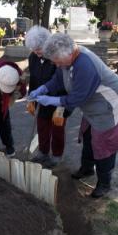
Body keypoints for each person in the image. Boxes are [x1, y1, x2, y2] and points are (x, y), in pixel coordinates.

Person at [29, 33, 118, 198]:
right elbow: (58, 80)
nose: (55, 64)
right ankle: (87, 168)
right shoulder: (66, 60)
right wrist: (44, 88)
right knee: (88, 136)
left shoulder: (85, 65)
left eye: (57, 61)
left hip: (108, 104)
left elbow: (75, 98)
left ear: (67, 54)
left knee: (103, 144)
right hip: (92, 103)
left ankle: (104, 183)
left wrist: (50, 100)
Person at [25, 25, 71, 168]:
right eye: (34, 50)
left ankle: (57, 155)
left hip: (58, 100)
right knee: (42, 126)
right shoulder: (33, 57)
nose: (37, 52)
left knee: (57, 128)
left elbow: (62, 81)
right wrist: (31, 97)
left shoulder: (56, 57)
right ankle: (43, 152)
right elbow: (33, 77)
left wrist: (60, 105)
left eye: (39, 49)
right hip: (40, 99)